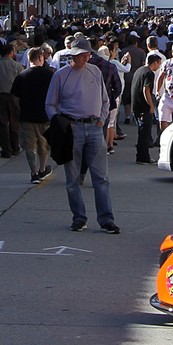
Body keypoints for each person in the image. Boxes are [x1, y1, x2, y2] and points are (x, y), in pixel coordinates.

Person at [49, 39, 118, 233]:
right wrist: (61, 124)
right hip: (73, 129)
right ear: (73, 56)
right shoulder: (61, 76)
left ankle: (106, 219)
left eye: (88, 55)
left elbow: (106, 100)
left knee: (101, 178)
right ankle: (79, 218)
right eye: (82, 55)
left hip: (94, 127)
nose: (85, 58)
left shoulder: (95, 71)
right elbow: (50, 105)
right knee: (72, 179)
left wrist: (101, 120)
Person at [14, 45, 55, 182]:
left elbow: (15, 97)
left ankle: (34, 172)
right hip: (44, 116)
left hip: (27, 116)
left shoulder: (21, 76)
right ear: (40, 58)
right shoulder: (49, 75)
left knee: (29, 146)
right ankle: (43, 169)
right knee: (44, 145)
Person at [130, 50, 161, 164]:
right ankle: (143, 157)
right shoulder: (149, 73)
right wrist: (151, 106)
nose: (159, 66)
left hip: (136, 106)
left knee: (141, 131)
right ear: (155, 63)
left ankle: (141, 155)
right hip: (143, 107)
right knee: (145, 133)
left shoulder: (139, 70)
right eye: (159, 64)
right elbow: (146, 89)